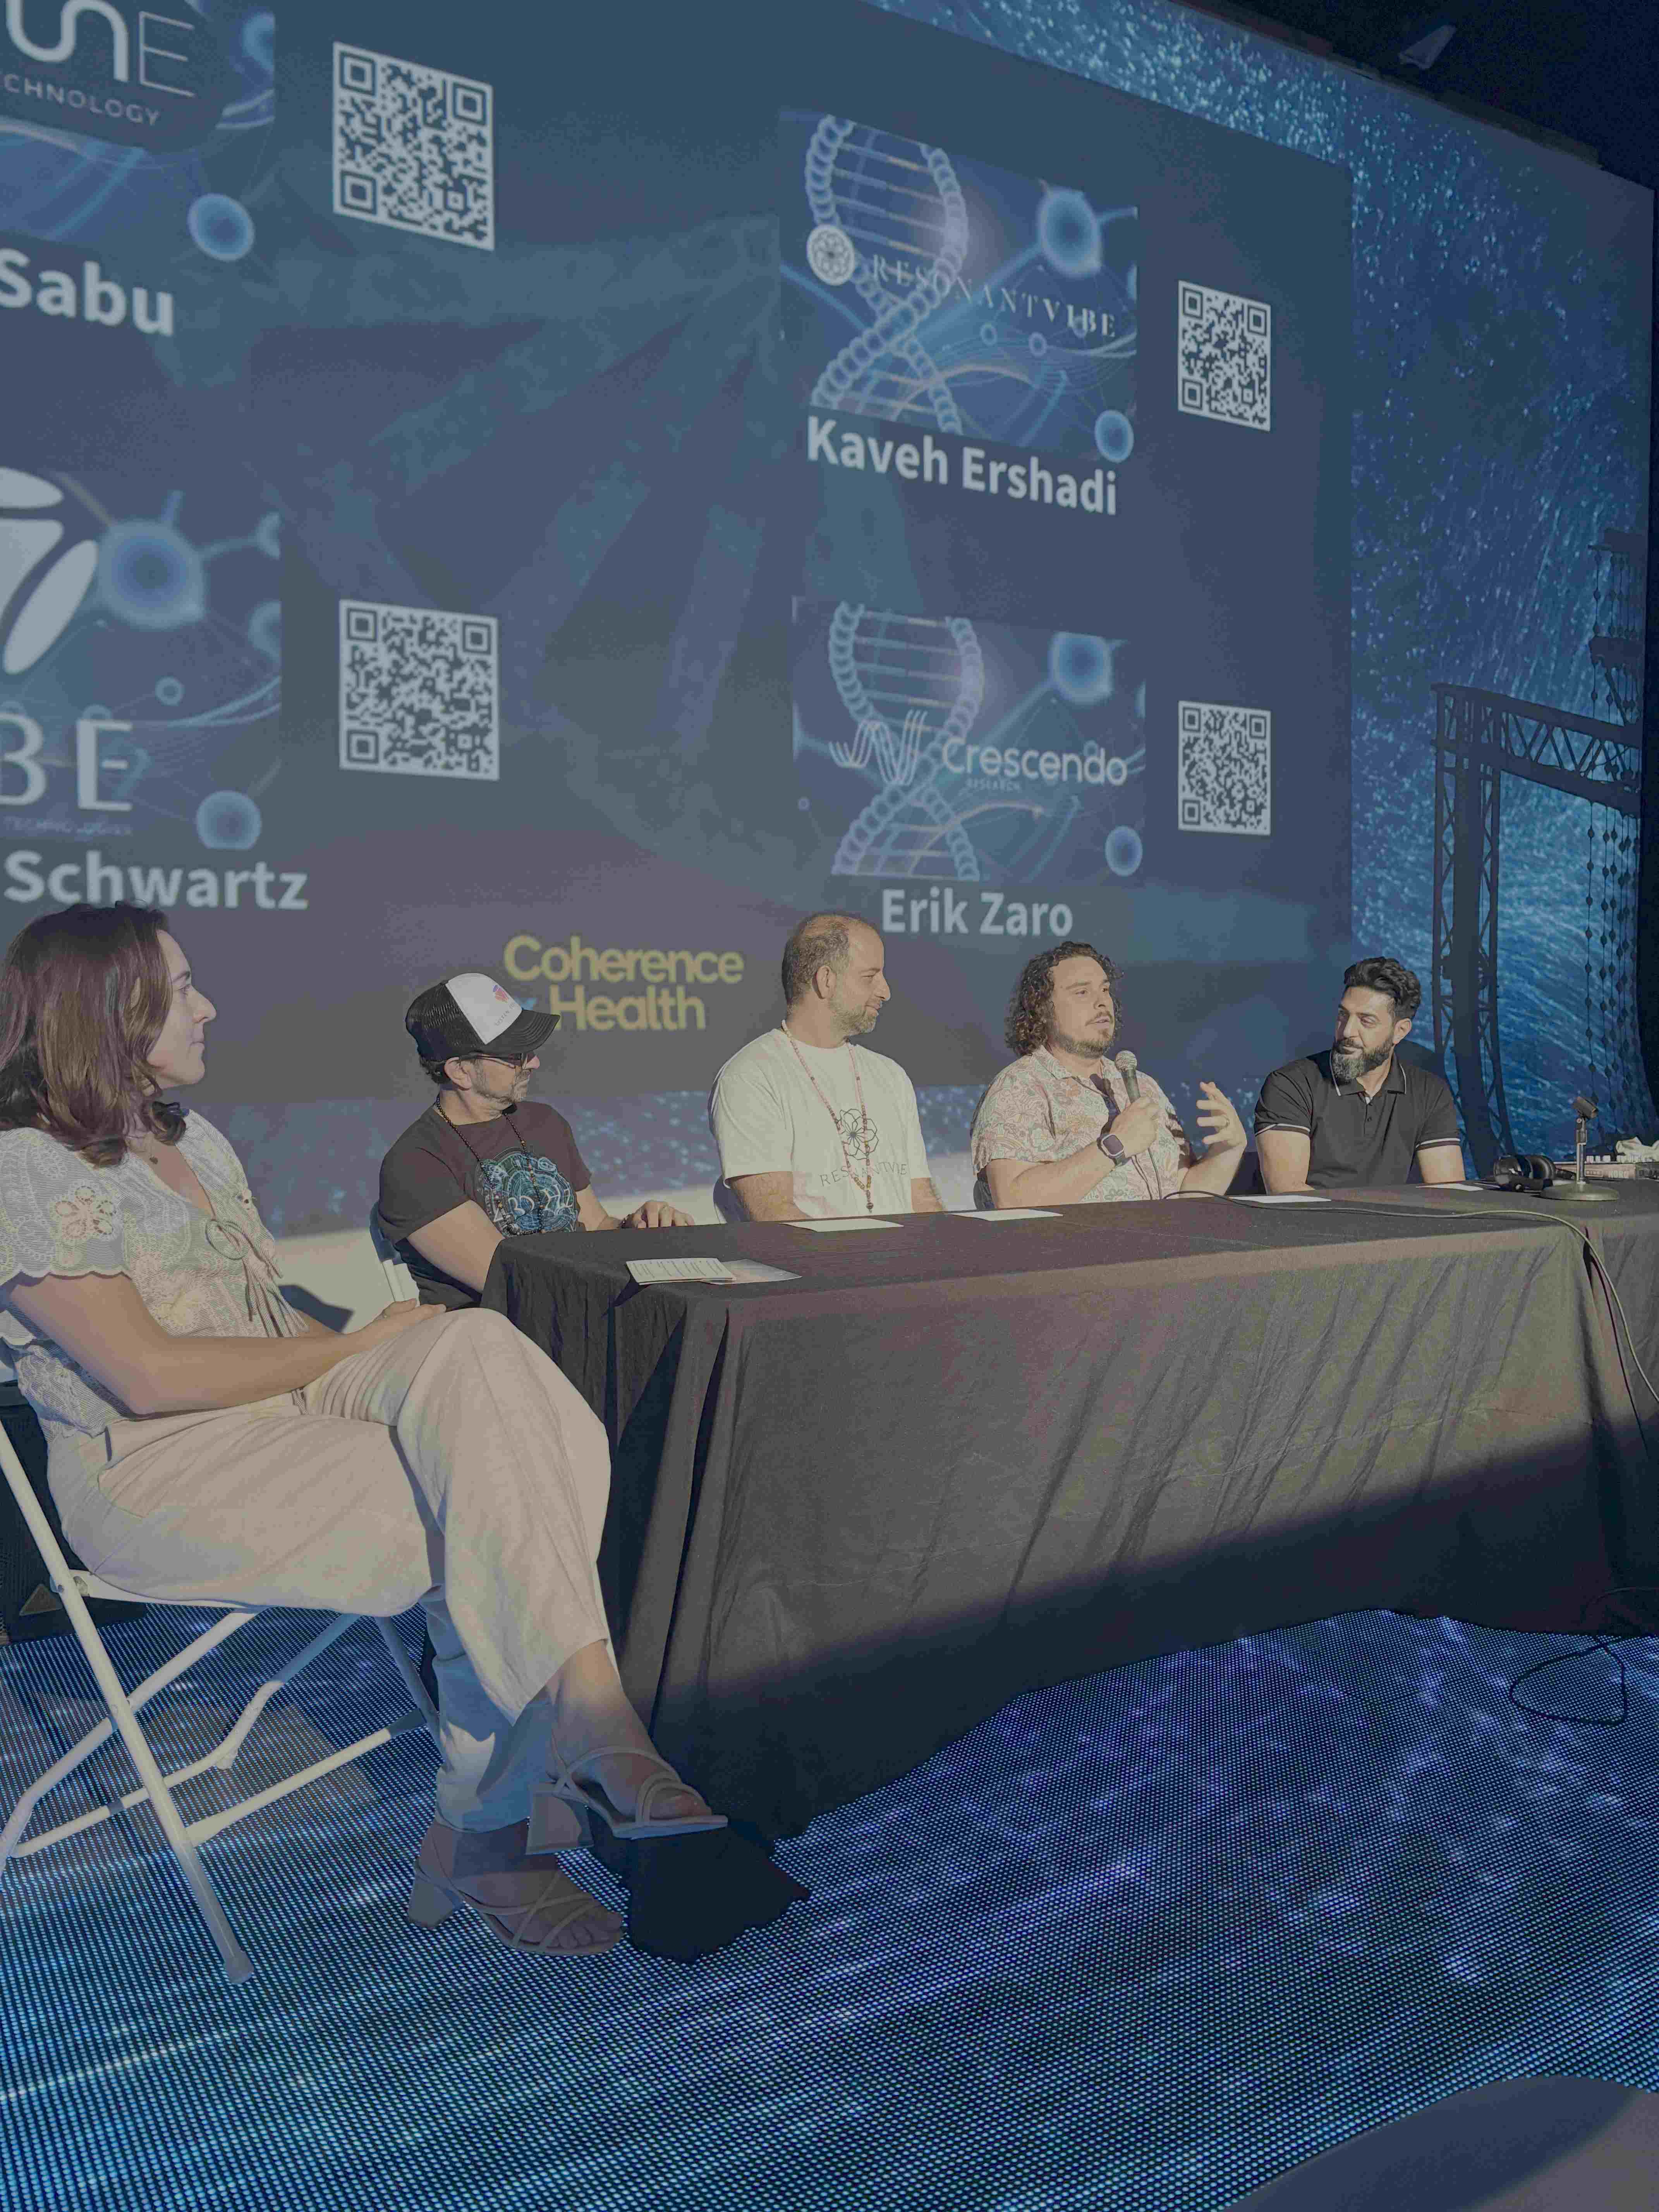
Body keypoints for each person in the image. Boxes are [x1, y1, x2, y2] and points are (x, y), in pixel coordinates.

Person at [0, 905, 728, 1963]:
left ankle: (582, 1725)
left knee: (480, 1361)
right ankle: (496, 1822)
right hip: (162, 1470)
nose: (208, 1007)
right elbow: (148, 1378)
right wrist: (364, 1351)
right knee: (495, 1492)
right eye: (185, 987)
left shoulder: (191, 1138)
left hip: (282, 1415)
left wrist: (380, 1349)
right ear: (111, 1008)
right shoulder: (29, 1166)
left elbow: (265, 1323)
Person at [378, 972, 691, 1310]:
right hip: (500, 1336)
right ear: (460, 1071)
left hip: (583, 1307)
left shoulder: (544, 1122)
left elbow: (597, 1225)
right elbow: (508, 1277)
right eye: (517, 1055)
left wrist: (638, 1227)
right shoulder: (415, 1164)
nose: (535, 1062)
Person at [971, 941, 1247, 1206]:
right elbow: (1014, 1200)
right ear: (1042, 1011)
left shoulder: (1142, 1085)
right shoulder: (1020, 1086)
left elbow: (1185, 1193)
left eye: (1105, 990)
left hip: (1167, 1248)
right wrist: (1115, 1145)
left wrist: (1227, 1151)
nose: (1102, 1002)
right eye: (1082, 992)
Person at [709, 912, 944, 1220]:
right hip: (821, 1267)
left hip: (903, 1264)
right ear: (826, 980)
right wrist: (869, 1260)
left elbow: (921, 1199)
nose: (885, 991)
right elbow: (775, 1216)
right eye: (870, 977)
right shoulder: (751, 1077)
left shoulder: (891, 1075)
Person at [1254, 957, 1465, 1190]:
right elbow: (1288, 1196)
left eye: (1366, 1021)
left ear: (1400, 1031)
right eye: (1343, 1015)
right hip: (1310, 1227)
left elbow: (1449, 1196)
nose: (1347, 1031)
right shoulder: (1290, 1085)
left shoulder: (1430, 1093)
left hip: (1393, 1225)